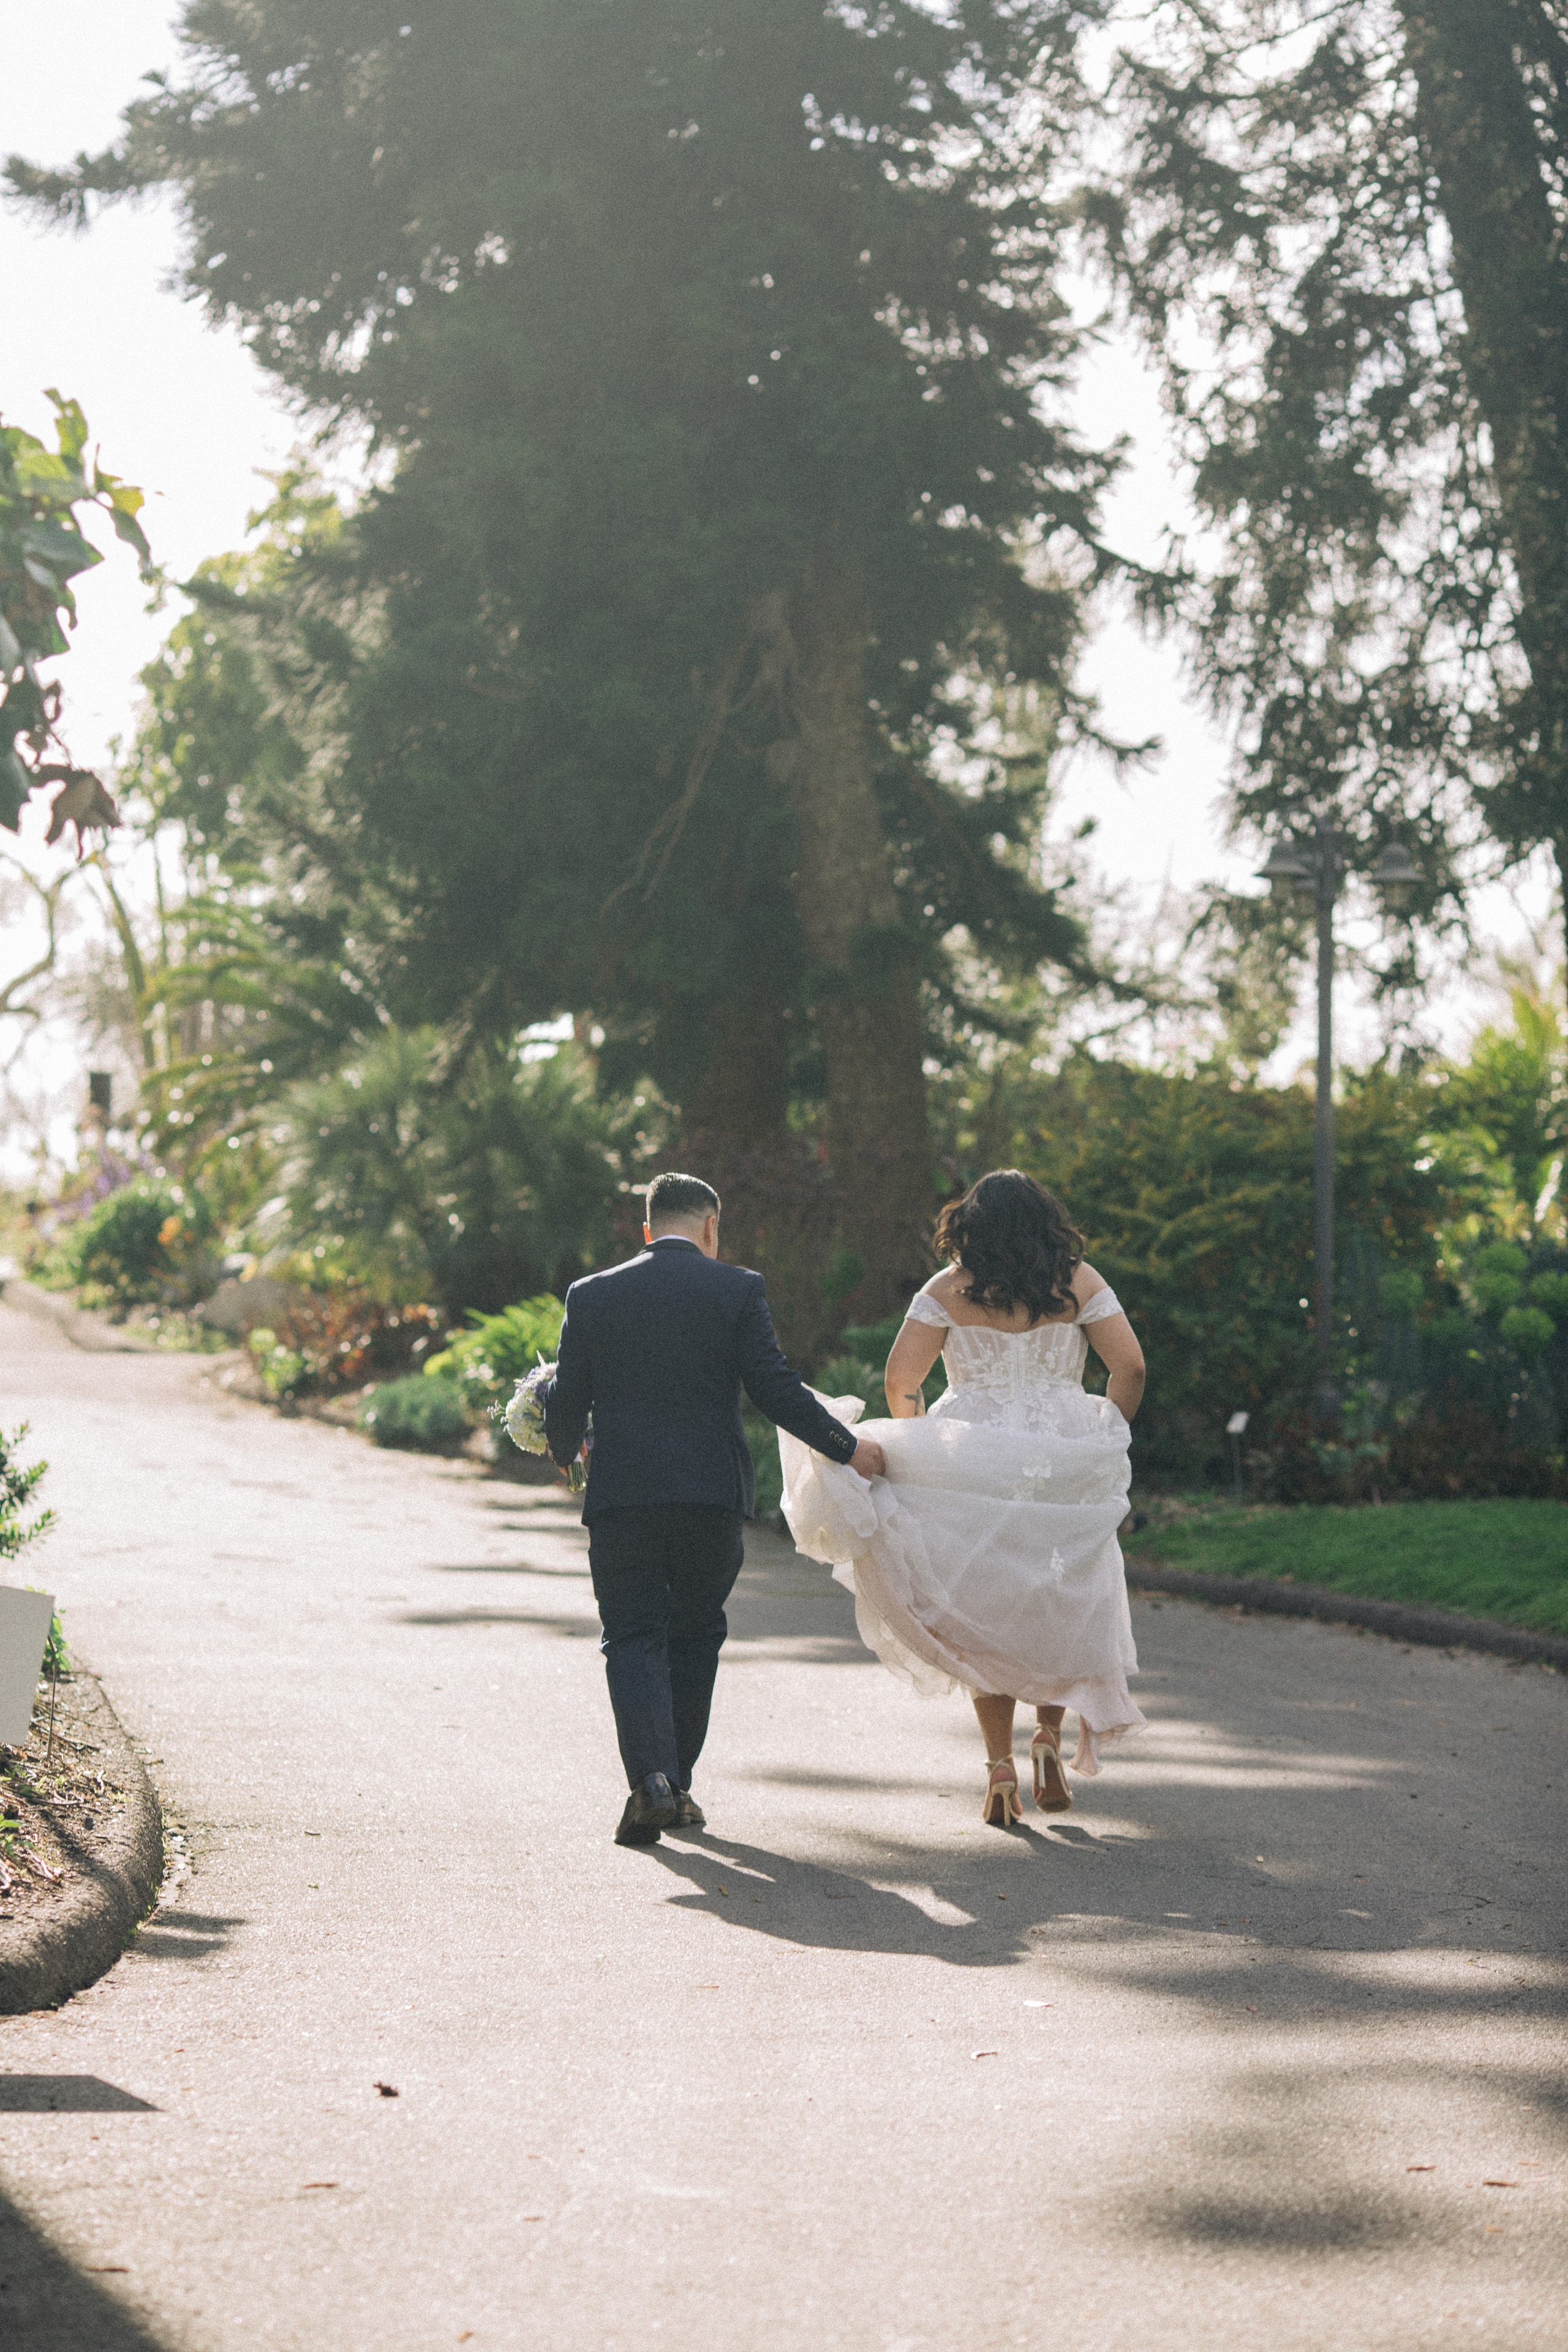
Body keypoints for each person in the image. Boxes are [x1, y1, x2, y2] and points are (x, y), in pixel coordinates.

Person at [778, 1169, 1147, 1825]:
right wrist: (1105, 1434)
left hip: (969, 1455)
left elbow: (902, 1379)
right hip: (1057, 1458)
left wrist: (921, 1448)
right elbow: (1131, 1367)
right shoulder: (1077, 1281)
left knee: (984, 1607)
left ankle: (999, 1767)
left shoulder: (947, 1290)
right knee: (1056, 1594)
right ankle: (1047, 1739)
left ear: (969, 1225)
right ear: (1045, 1220)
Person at [544, 1171, 887, 1848]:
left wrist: (564, 1452)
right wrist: (847, 1448)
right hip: (709, 1495)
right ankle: (679, 1783)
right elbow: (774, 1389)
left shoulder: (592, 1294)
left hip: (624, 1496)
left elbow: (567, 1399)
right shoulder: (737, 1290)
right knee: (696, 1633)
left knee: (633, 1634)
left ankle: (653, 1783)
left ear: (646, 1230)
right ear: (710, 1228)